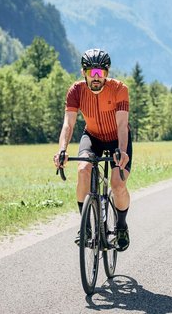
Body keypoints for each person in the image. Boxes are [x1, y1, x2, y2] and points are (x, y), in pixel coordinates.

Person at [54, 48, 132, 251]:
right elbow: (68, 125)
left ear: (107, 73)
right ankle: (86, 226)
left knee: (117, 184)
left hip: (117, 139)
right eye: (92, 72)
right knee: (82, 171)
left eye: (101, 73)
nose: (96, 77)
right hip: (93, 137)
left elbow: (122, 125)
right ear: (83, 72)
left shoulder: (119, 89)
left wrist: (122, 151)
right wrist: (62, 149)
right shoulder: (76, 91)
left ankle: (121, 226)